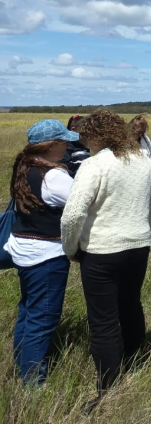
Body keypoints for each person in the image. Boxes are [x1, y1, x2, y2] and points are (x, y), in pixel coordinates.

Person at [59, 110, 151, 411]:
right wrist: (142, 232)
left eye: (85, 136)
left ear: (96, 136)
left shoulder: (95, 164)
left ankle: (108, 389)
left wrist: (70, 248)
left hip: (101, 252)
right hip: (138, 247)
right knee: (131, 304)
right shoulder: (143, 160)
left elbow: (74, 213)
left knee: (103, 321)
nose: (83, 142)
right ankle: (135, 360)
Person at [3, 119, 78, 385]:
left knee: (28, 310)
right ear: (52, 145)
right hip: (46, 254)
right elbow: (81, 203)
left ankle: (21, 363)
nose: (68, 145)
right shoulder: (54, 176)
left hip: (23, 249)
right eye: (64, 141)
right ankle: (33, 382)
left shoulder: (25, 166)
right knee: (43, 319)